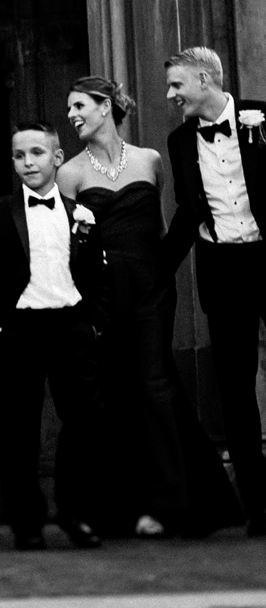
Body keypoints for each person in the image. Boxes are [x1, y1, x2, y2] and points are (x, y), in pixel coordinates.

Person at [63, 74, 241, 537]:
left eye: (79, 105)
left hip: (151, 290)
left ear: (105, 106)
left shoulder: (151, 160)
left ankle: (173, 504)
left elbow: (163, 227)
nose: (72, 115)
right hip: (104, 296)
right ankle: (129, 506)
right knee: (116, 390)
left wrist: (161, 278)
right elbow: (69, 247)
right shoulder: (71, 173)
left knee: (156, 384)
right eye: (68, 109)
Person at [0, 119, 106, 551]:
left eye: (35, 153)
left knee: (84, 421)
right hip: (19, 331)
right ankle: (26, 521)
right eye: (18, 155)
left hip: (71, 327)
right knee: (18, 428)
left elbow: (95, 275)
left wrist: (92, 323)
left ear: (56, 157)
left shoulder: (80, 213)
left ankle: (75, 513)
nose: (27, 162)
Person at [160, 48, 266, 534]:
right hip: (222, 271)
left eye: (177, 84)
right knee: (236, 389)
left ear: (204, 79)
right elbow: (185, 212)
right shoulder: (180, 141)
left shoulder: (261, 117)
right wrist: (156, 270)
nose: (170, 95)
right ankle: (259, 508)